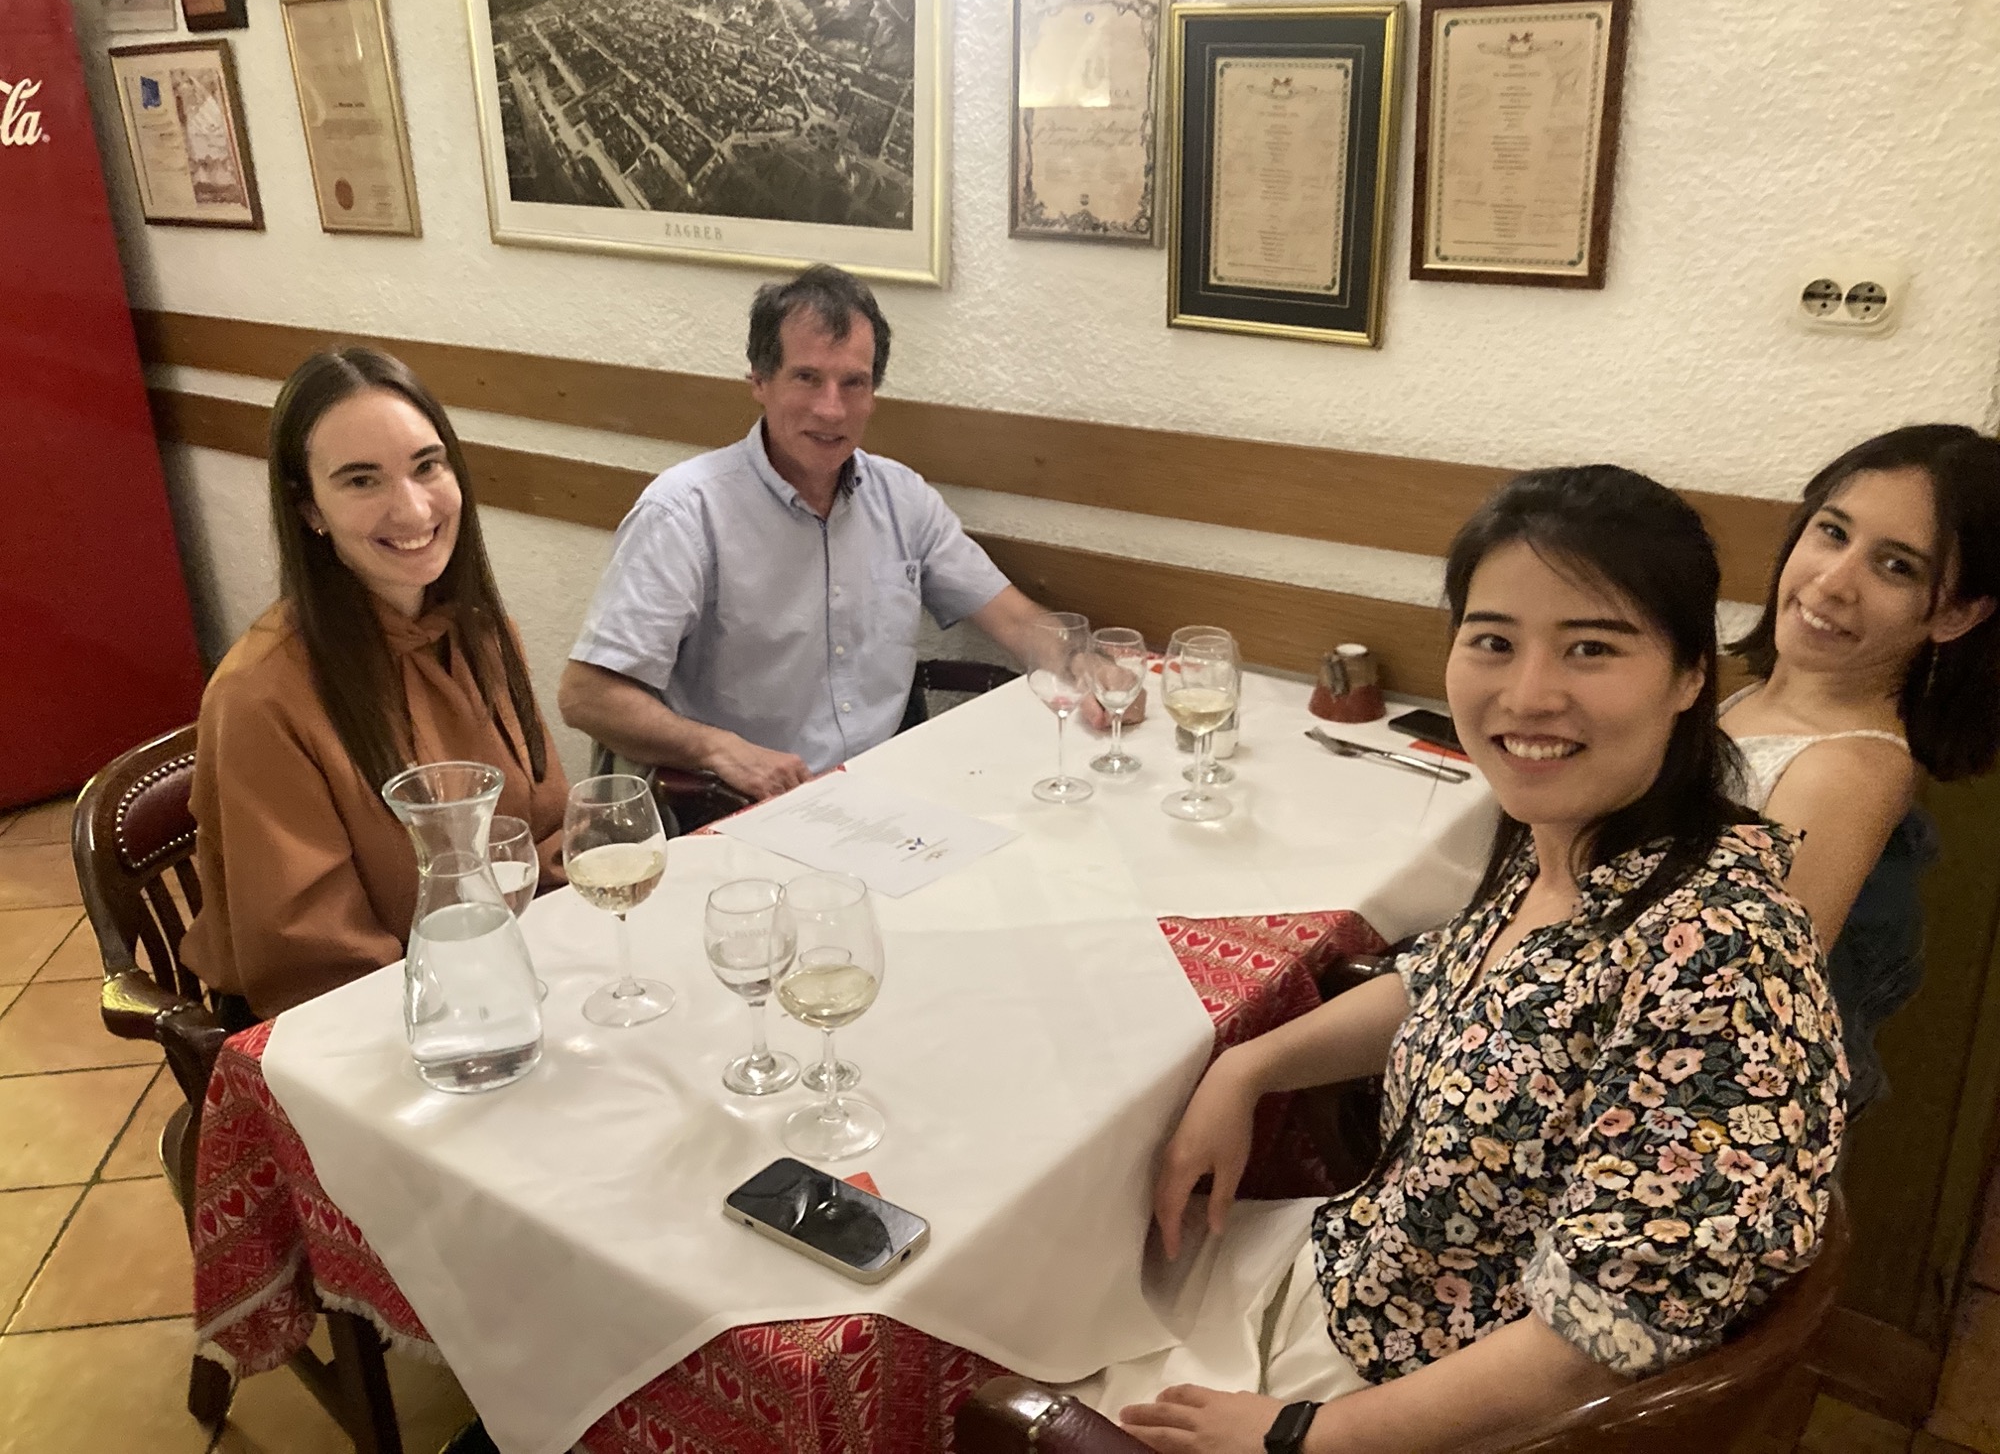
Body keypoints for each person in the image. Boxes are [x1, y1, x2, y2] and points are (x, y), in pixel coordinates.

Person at [1101, 466, 1844, 1454]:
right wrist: (1249, 1066)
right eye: (1493, 641)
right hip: (1373, 1274)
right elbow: (1445, 984)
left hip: (1429, 1396)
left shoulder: (1721, 951)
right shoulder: (1570, 845)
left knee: (1038, 1369)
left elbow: (1601, 1337)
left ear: (1687, 677)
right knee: (1083, 1258)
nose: (1527, 696)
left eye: (1590, 648)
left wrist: (1301, 1435)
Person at [557, 264, 1129, 801]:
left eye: (853, 383)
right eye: (807, 378)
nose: (831, 410)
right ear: (760, 381)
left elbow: (1017, 621)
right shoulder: (685, 512)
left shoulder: (902, 498)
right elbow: (586, 697)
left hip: (890, 790)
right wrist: (718, 748)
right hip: (744, 805)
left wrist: (1088, 666)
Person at [181, 348, 568, 1020]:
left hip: (505, 974)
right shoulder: (259, 697)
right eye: (362, 481)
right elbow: (318, 966)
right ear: (310, 510)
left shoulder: (480, 632)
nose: (412, 509)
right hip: (371, 1017)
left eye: (427, 466)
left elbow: (546, 838)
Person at [1721, 425, 1999, 1110]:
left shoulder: (1844, 774)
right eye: (1833, 532)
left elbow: (1731, 1010)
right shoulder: (1753, 701)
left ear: (1957, 614)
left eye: (1896, 566)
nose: (1832, 582)